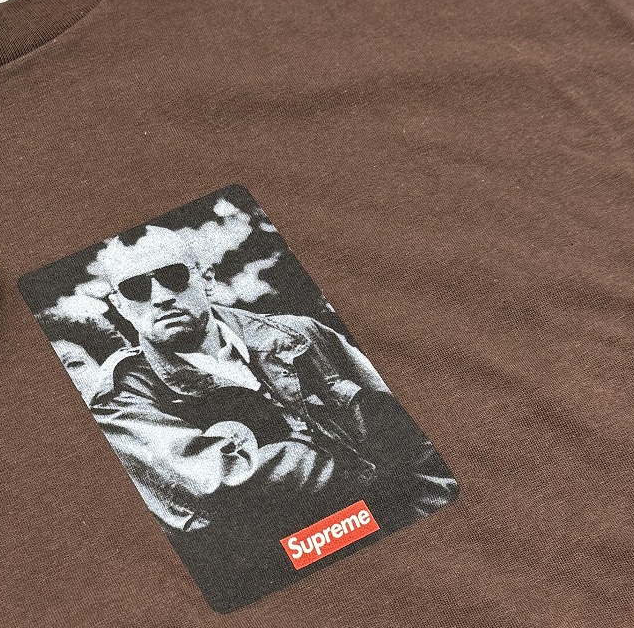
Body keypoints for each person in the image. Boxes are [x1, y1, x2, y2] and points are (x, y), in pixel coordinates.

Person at [88, 226, 456, 594]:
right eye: (136, 289)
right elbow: (216, 482)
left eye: (173, 277)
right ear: (120, 306)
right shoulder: (122, 397)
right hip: (285, 577)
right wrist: (353, 474)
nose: (160, 297)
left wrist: (434, 516)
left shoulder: (301, 336)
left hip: (405, 530)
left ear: (207, 278)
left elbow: (415, 436)